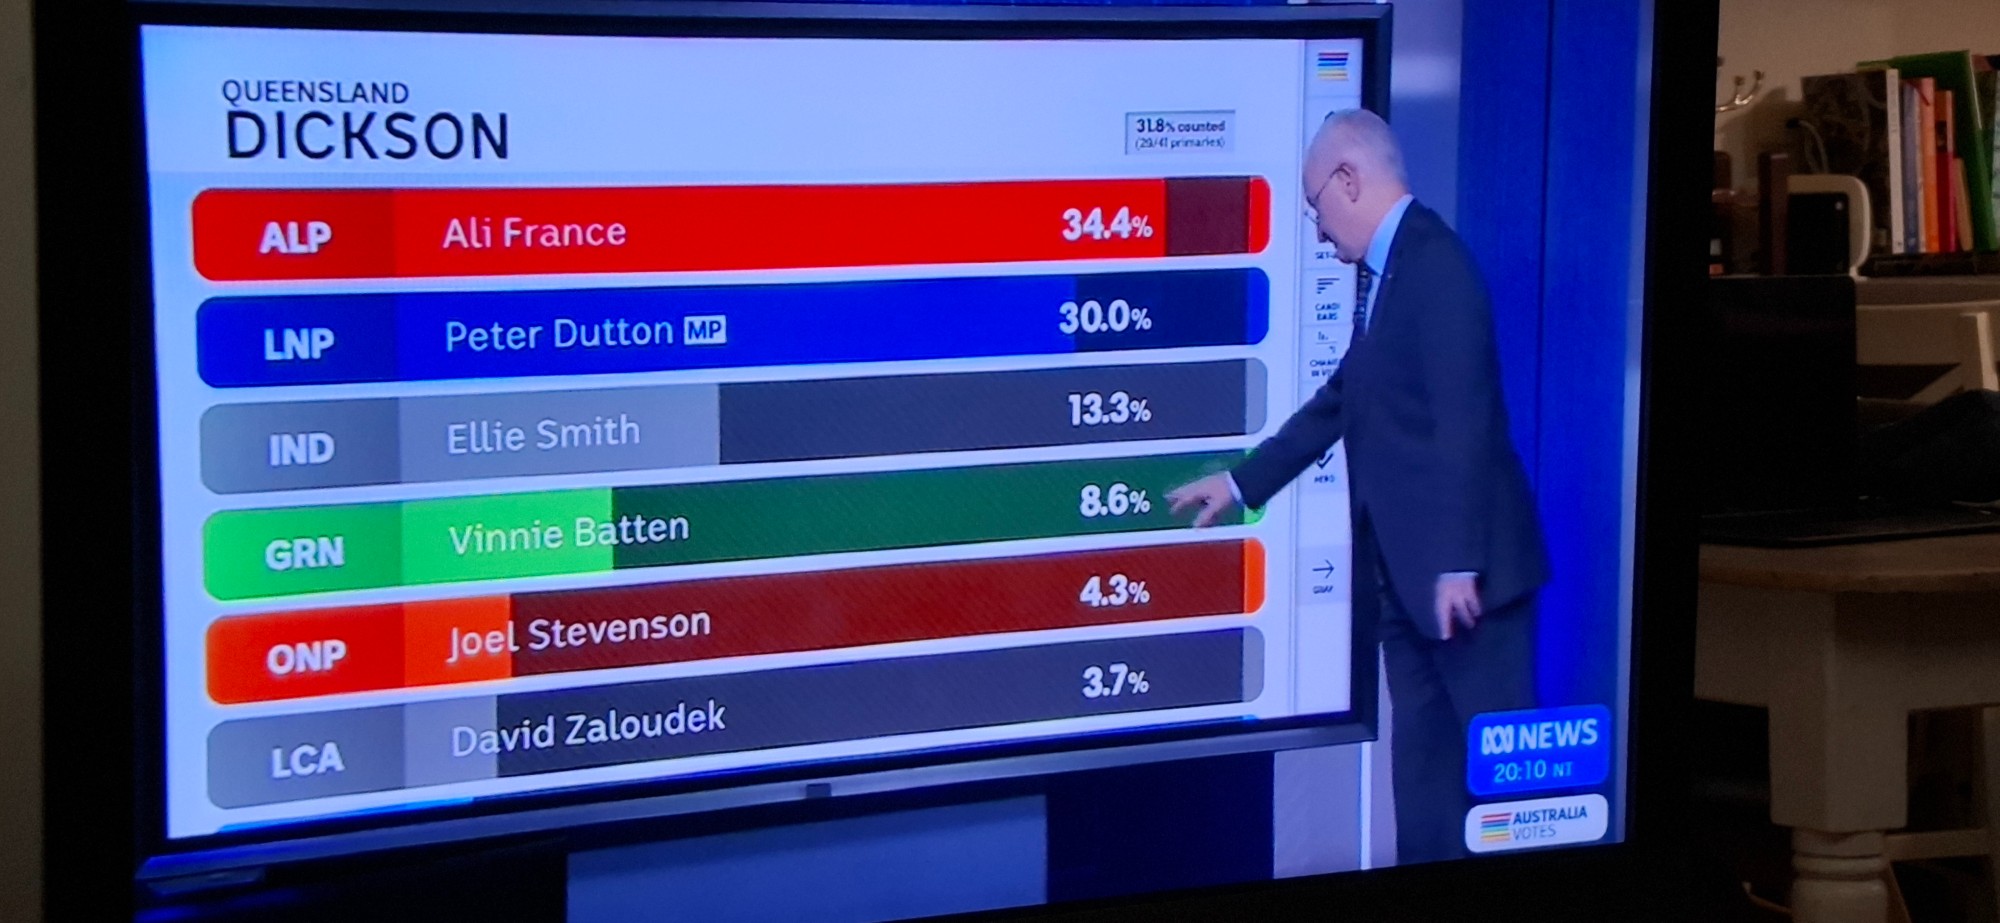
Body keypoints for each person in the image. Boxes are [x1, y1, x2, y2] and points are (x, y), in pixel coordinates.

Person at [1166, 108, 1548, 864]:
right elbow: (1346, 396)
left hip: (1467, 588)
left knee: (1502, 798)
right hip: (1408, 584)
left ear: (1349, 179)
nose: (1317, 231)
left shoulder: (1436, 266)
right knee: (1426, 791)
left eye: (1315, 207)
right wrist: (1242, 482)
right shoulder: (1390, 272)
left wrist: (1457, 561)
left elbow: (1466, 418)